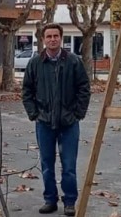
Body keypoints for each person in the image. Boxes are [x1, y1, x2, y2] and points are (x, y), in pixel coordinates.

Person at [22, 23, 91, 216]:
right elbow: (27, 91)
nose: (52, 39)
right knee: (46, 164)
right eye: (49, 36)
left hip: (69, 123)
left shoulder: (73, 61)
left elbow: (84, 88)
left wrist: (78, 113)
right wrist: (34, 114)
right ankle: (50, 200)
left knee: (69, 165)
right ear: (43, 39)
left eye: (56, 36)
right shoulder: (35, 63)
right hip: (44, 123)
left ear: (61, 38)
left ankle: (69, 202)